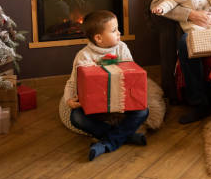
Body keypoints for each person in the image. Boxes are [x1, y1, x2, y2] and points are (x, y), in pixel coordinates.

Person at [62, 10, 149, 161]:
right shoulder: (84, 56)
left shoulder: (122, 48)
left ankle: (108, 143)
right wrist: (68, 99)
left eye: (118, 29)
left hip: (121, 103)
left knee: (143, 111)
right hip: (97, 108)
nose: (119, 33)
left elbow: (131, 74)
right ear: (99, 38)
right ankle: (124, 136)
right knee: (76, 118)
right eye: (114, 30)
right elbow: (72, 82)